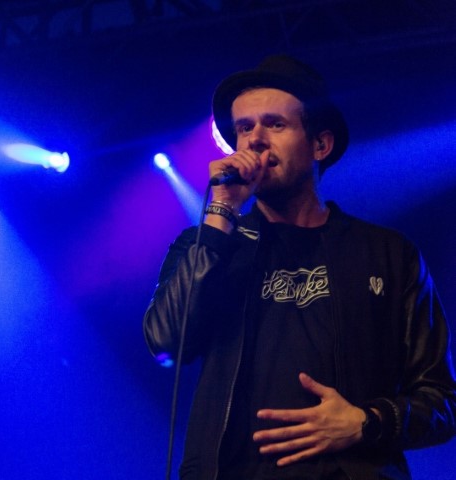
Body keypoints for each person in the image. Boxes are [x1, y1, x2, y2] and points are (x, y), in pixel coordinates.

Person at [143, 54, 456, 479]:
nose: (254, 140)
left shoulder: (388, 255)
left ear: (320, 145)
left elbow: (442, 400)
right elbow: (165, 341)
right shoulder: (208, 246)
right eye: (244, 128)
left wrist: (367, 422)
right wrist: (221, 213)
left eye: (275, 125)